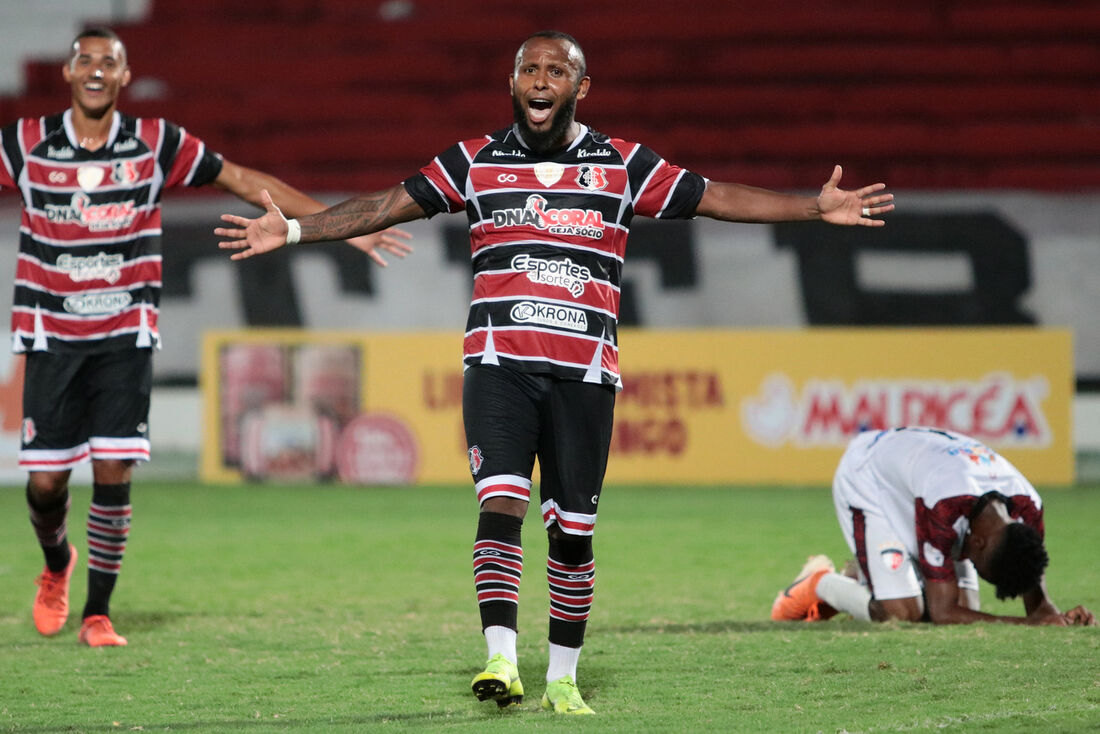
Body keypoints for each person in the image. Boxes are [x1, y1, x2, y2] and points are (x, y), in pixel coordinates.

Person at [216, 30, 894, 714]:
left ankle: (563, 680)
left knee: (571, 531)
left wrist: (813, 206)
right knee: (501, 502)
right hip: (498, 367)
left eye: (557, 71)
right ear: (512, 85)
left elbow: (715, 197)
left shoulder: (622, 164)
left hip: (585, 377)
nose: (542, 81)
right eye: (529, 70)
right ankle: (502, 660)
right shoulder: (474, 162)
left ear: (580, 88)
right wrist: (297, 231)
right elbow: (384, 204)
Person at [2, 27, 412, 648]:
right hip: (51, 336)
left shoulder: (156, 142)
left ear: (123, 75)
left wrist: (339, 228)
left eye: (107, 62)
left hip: (124, 335)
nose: (94, 70)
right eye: (84, 59)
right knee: (46, 484)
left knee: (113, 472)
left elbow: (244, 180)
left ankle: (97, 613)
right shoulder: (25, 142)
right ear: (67, 72)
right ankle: (57, 564)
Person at [771, 426, 1097, 626]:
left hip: (916, 481)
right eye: (978, 563)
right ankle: (818, 583)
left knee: (968, 610)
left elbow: (1035, 597)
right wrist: (1026, 625)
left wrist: (1055, 617)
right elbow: (943, 613)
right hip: (870, 480)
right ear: (979, 543)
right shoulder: (945, 503)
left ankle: (863, 573)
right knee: (904, 612)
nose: (966, 559)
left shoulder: (1028, 509)